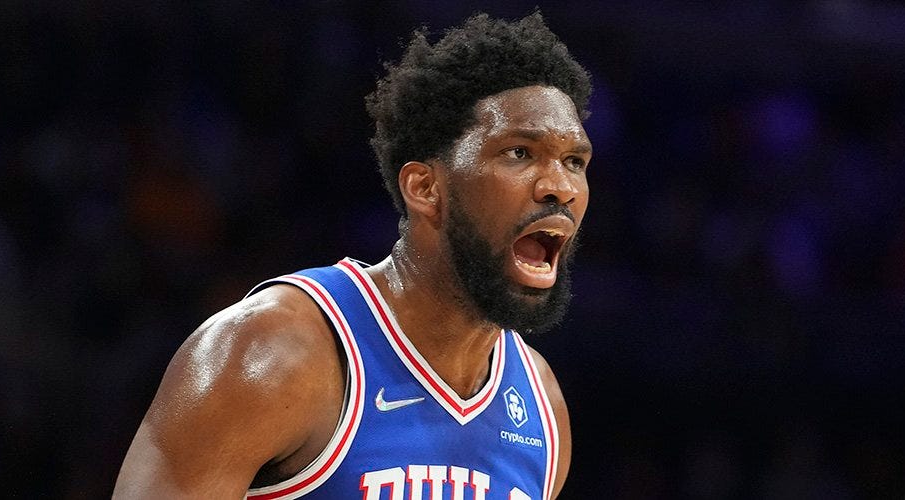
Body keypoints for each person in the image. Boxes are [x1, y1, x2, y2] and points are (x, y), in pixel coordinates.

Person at [114, 10, 593, 499]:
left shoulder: (541, 407)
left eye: (574, 161)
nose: (560, 186)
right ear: (425, 188)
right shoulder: (275, 350)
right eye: (519, 153)